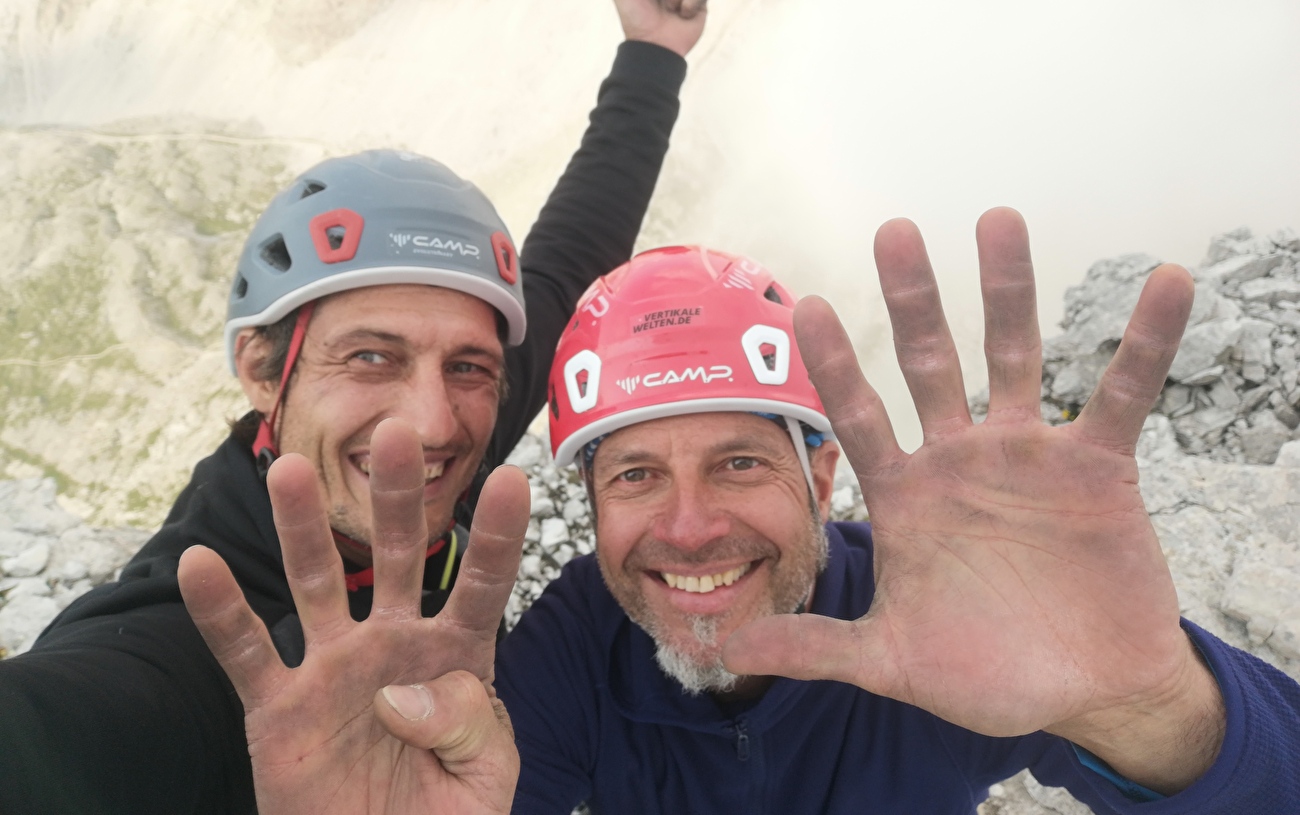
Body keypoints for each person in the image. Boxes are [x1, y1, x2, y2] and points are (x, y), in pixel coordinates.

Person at [0, 0, 708, 815]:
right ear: (265, 369)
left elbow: (571, 254)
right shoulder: (185, 636)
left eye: (471, 365)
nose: (432, 423)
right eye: (372, 356)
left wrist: (652, 53)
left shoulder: (446, 426)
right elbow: (55, 733)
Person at [494, 223, 1300, 814]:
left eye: (739, 462)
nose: (693, 525)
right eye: (636, 475)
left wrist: (1149, 710)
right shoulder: (571, 646)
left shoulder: (949, 601)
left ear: (819, 473)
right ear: (593, 507)